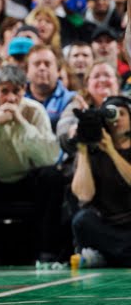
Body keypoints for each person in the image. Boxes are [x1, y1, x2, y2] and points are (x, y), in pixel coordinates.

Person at [0, 65, 64, 265]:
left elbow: (50, 157)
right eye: (4, 91)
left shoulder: (35, 110)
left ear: (25, 90)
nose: (11, 98)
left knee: (52, 176)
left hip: (26, 180)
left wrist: (22, 122)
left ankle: (47, 250)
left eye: (16, 91)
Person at [70, 95, 131, 267]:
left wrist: (112, 151)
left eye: (122, 113)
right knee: (82, 220)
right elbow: (84, 195)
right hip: (108, 226)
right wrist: (83, 149)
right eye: (110, 114)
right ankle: (121, 254)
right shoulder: (94, 151)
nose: (116, 119)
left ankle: (111, 256)